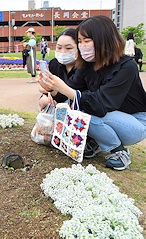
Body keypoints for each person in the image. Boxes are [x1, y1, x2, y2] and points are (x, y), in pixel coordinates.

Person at [37, 15, 146, 171]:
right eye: (80, 42)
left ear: (104, 39)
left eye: (86, 41)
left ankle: (119, 151)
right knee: (74, 107)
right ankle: (95, 143)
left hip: (136, 123)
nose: (82, 46)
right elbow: (67, 93)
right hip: (107, 117)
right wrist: (51, 88)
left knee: (85, 111)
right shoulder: (87, 65)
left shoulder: (127, 67)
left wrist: (64, 88)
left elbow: (101, 103)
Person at [38, 28, 77, 110]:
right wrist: (50, 92)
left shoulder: (84, 67)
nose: (63, 52)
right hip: (56, 98)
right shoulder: (54, 63)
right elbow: (42, 88)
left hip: (76, 105)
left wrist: (52, 91)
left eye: (68, 48)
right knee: (44, 101)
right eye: (59, 48)